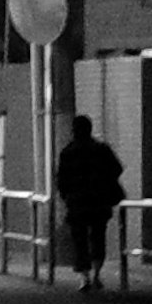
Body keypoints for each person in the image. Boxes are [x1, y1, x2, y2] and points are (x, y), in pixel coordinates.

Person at [54, 113, 126, 294]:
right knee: (98, 236)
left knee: (80, 239)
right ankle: (97, 274)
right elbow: (117, 168)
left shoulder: (68, 152)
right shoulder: (101, 149)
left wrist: (67, 195)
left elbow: (61, 179)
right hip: (99, 201)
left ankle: (84, 276)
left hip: (77, 202)